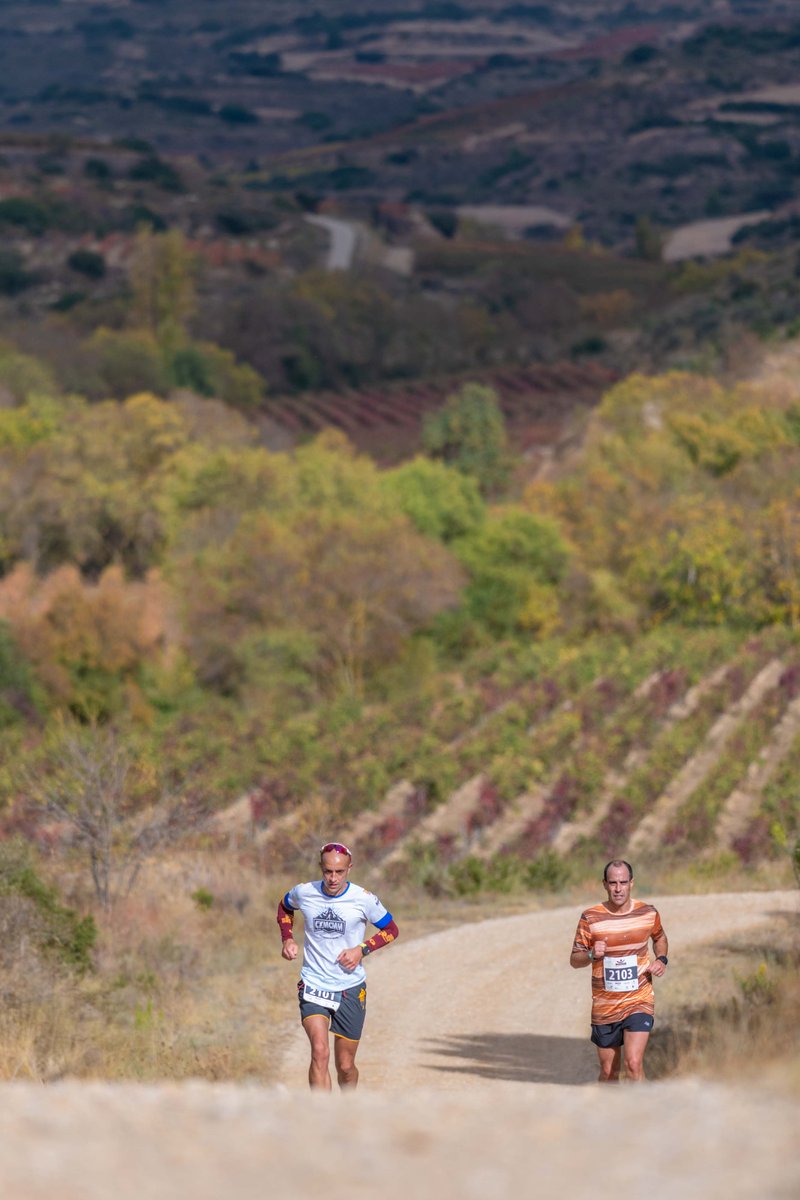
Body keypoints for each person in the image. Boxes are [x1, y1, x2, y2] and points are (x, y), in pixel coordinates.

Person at [277, 840, 399, 1090]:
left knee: (345, 1066)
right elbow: (284, 908)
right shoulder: (305, 892)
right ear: (321, 868)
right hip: (314, 984)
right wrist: (287, 938)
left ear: (349, 868)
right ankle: (322, 1119)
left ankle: (348, 1111)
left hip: (350, 988)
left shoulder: (363, 899)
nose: (333, 878)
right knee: (319, 1052)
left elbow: (391, 929)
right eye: (327, 871)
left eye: (339, 872)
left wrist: (361, 950)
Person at [570, 859, 668, 1083]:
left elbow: (660, 937)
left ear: (631, 883)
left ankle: (642, 1115)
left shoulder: (648, 913)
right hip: (605, 1005)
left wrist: (661, 959)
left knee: (633, 1064)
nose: (618, 888)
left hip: (638, 999)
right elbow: (575, 960)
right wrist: (592, 954)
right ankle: (609, 1114)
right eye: (613, 883)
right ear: (604, 884)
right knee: (608, 1072)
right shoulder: (590, 917)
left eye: (623, 882)